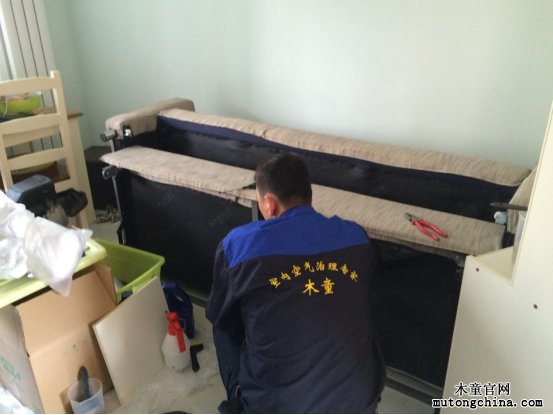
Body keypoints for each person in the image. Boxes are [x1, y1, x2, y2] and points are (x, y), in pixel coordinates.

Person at [206, 153, 385, 413]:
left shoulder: (238, 245)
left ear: (268, 204)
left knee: (222, 324)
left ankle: (241, 399)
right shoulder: (357, 237)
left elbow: (221, 315)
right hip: (360, 404)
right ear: (309, 196)